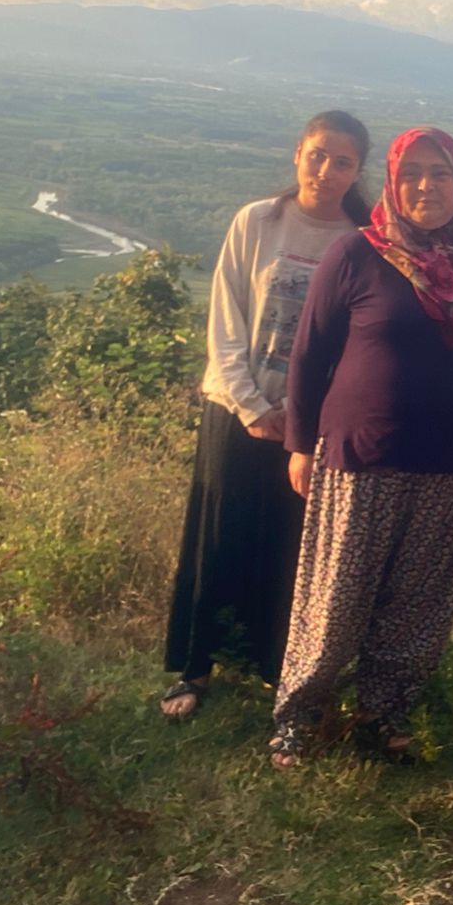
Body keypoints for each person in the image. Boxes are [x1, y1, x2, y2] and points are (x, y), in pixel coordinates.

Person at [270, 127, 453, 766]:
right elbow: (309, 354)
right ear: (393, 184)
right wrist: (300, 445)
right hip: (360, 455)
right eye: (412, 174)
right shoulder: (357, 253)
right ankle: (299, 716)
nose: (427, 186)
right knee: (335, 600)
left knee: (419, 604)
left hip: (451, 458)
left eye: (441, 173)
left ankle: (382, 716)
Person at [161, 111, 371, 718]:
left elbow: (355, 341)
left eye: (342, 162)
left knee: (290, 544)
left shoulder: (361, 240)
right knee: (218, 534)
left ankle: (274, 664)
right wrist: (252, 404)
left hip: (309, 423)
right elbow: (225, 319)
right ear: (298, 153)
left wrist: (300, 413)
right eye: (318, 155)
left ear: (358, 171)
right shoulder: (257, 221)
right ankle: (196, 667)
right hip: (235, 408)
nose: (326, 171)